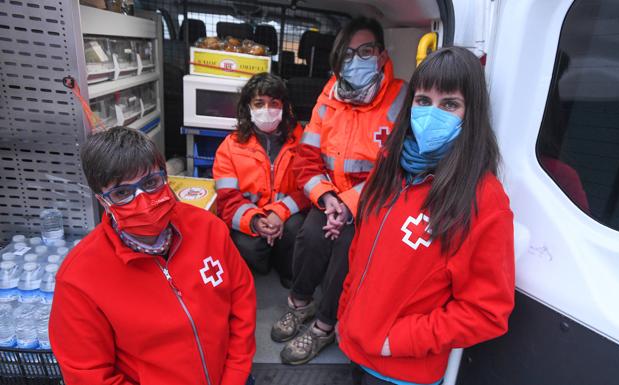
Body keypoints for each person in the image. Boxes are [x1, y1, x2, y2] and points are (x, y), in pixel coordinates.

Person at [337, 47, 516, 385]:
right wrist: (345, 313)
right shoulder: (389, 165)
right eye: (423, 100)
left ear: (471, 114)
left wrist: (397, 341)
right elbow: (359, 252)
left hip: (401, 371)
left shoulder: (484, 198)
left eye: (450, 104)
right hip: (354, 348)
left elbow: (486, 312)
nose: (432, 113)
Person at [49, 127, 256, 385]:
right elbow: (89, 375)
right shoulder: (79, 280)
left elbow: (242, 302)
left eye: (150, 183)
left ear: (166, 178)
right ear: (103, 201)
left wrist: (235, 376)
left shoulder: (208, 228)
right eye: (122, 193)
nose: (144, 201)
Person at [271, 17, 408, 365]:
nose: (357, 60)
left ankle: (324, 325)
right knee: (310, 237)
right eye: (348, 54)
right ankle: (299, 305)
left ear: (381, 55)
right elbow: (307, 157)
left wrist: (349, 206)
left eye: (366, 51)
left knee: (348, 248)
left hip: (373, 202)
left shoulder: (400, 97)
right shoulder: (329, 93)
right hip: (330, 196)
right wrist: (330, 200)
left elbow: (396, 168)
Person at [213, 73, 309, 288]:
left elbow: (308, 188)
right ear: (248, 107)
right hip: (252, 218)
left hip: (288, 217)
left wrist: (279, 213)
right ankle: (265, 259)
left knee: (297, 229)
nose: (267, 110)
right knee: (249, 247)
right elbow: (226, 200)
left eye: (274, 103)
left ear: (284, 106)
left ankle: (288, 272)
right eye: (259, 103)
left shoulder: (302, 141)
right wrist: (255, 221)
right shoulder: (231, 146)